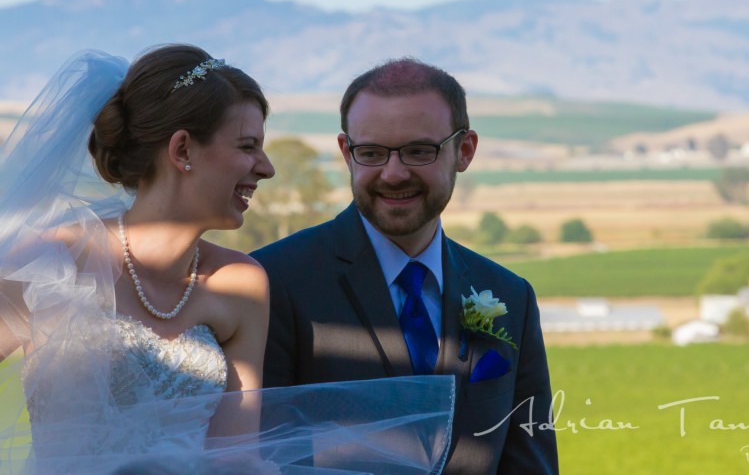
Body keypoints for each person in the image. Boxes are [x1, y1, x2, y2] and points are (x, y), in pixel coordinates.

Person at [0, 47, 453, 474]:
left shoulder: (241, 283)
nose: (266, 167)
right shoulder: (46, 261)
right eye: (247, 145)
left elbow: (236, 458)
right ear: (182, 151)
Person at [252, 58, 559, 474]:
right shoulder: (273, 284)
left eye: (418, 151)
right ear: (346, 153)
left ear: (464, 150)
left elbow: (530, 462)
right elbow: (258, 458)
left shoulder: (510, 296)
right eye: (372, 153)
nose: (393, 174)